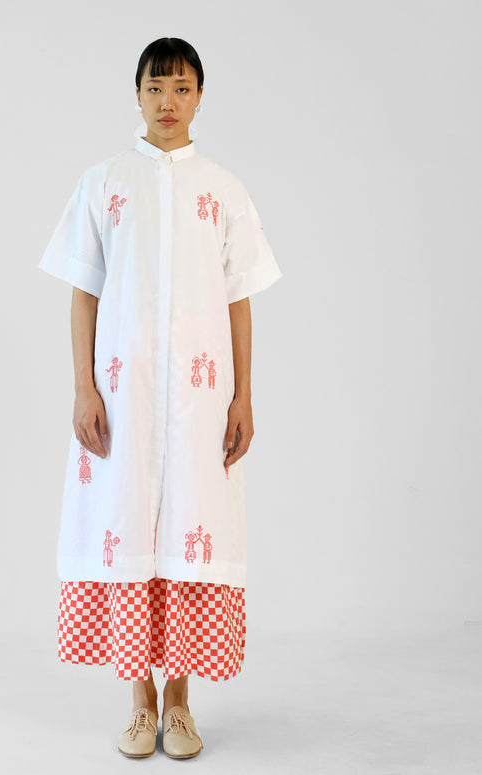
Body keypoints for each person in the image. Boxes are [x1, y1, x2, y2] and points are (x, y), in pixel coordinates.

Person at [38, 37, 283, 759]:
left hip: (200, 401)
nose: (168, 101)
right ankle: (139, 702)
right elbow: (84, 290)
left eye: (181, 88)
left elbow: (239, 299)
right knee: (126, 523)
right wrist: (83, 386)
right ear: (137, 95)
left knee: (190, 527)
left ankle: (180, 703)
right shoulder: (105, 183)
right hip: (124, 395)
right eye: (155, 87)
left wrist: (244, 395)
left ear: (200, 97)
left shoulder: (224, 190)